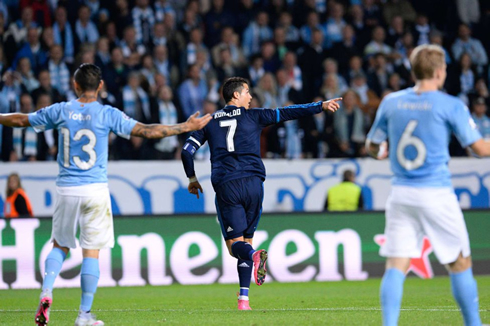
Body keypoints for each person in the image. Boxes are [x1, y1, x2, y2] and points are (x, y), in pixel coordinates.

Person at [0, 63, 211, 326]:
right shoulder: (107, 113)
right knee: (91, 252)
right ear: (100, 86)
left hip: (66, 188)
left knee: (59, 245)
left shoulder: (61, 109)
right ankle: (83, 316)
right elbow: (147, 130)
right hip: (95, 190)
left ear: (75, 85)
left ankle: (46, 291)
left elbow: (21, 119)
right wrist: (184, 126)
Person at [181, 77, 341, 310]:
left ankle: (255, 257)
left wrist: (192, 178)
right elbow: (288, 112)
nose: (250, 97)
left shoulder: (210, 121)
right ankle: (243, 299)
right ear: (235, 95)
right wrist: (320, 106)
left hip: (228, 185)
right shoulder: (255, 116)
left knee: (235, 246)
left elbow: (187, 152)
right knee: (246, 240)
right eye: (247, 92)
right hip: (255, 184)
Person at [365, 44, 489, 326]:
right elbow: (480, 149)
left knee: (396, 265)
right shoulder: (450, 104)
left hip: (400, 195)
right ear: (437, 71)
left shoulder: (391, 102)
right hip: (436, 194)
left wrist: (381, 152)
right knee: (460, 263)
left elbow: (372, 146)